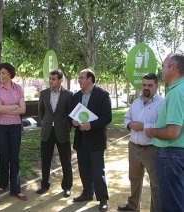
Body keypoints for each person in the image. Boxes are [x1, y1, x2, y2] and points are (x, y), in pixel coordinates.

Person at [118, 73, 163, 212]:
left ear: (157, 86)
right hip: (133, 146)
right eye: (144, 85)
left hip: (152, 148)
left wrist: (143, 126)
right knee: (134, 178)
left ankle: (155, 210)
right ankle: (133, 206)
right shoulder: (136, 101)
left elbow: (163, 125)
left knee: (155, 184)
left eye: (150, 85)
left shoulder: (162, 103)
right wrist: (130, 123)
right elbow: (126, 117)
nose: (146, 88)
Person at [145, 53, 184, 212]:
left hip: (171, 156)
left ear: (173, 68)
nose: (161, 70)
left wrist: (152, 131)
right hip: (175, 155)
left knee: (172, 204)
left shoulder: (176, 93)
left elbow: (172, 132)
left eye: (163, 66)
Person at [71, 69, 111, 212]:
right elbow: (71, 117)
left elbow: (107, 117)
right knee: (83, 169)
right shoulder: (76, 96)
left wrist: (91, 125)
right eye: (79, 78)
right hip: (80, 139)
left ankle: (103, 198)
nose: (79, 80)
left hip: (96, 139)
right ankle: (87, 193)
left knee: (97, 170)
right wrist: (73, 122)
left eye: (81, 78)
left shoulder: (102, 94)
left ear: (90, 79)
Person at [0, 63, 27, 201]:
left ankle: (16, 189)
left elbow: (23, 109)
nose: (1, 76)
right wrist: (14, 106)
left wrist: (7, 107)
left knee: (15, 158)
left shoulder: (18, 88)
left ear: (10, 73)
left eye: (4, 73)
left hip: (15, 127)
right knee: (4, 156)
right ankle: (3, 184)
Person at [36, 70, 73, 197]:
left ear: (60, 80)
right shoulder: (44, 93)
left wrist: (67, 127)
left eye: (53, 79)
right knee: (45, 160)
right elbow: (41, 111)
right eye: (50, 79)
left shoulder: (68, 95)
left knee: (66, 160)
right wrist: (46, 122)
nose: (51, 81)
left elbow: (70, 114)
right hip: (47, 131)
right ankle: (44, 184)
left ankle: (67, 186)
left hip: (62, 131)